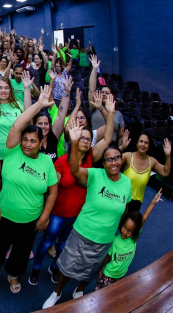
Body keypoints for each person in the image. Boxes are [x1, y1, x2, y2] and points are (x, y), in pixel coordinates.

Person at [43, 115, 132, 308]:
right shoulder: (95, 175)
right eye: (109, 159)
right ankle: (56, 293)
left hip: (105, 237)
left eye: (117, 157)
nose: (114, 162)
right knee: (67, 266)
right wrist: (74, 142)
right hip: (83, 232)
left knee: (91, 269)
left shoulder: (127, 183)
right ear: (104, 163)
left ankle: (79, 290)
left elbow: (125, 208)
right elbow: (75, 171)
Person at [29, 94, 116, 285]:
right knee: (46, 242)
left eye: (87, 138)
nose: (85, 141)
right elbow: (52, 189)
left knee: (63, 245)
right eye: (81, 138)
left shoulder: (92, 157)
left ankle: (54, 269)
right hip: (58, 213)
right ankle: (36, 269)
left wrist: (109, 113)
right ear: (75, 139)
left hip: (77, 215)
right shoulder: (61, 162)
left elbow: (108, 138)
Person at [0, 86, 58, 294]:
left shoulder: (46, 162)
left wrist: (44, 217)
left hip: (30, 219)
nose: (27, 143)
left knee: (22, 251)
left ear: (41, 142)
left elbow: (52, 192)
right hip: (5, 214)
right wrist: (39, 105)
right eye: (25, 139)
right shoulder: (12, 152)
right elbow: (17, 126)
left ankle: (14, 274)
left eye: (33, 140)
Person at [95, 190, 163, 290]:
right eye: (124, 228)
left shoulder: (133, 239)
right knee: (102, 293)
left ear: (134, 232)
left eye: (130, 231)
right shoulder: (115, 240)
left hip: (121, 274)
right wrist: (100, 269)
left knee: (114, 294)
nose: (125, 233)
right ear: (122, 225)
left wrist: (153, 203)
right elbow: (107, 258)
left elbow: (144, 218)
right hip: (108, 274)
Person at [122, 133, 170, 212]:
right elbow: (112, 163)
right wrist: (122, 147)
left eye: (146, 143)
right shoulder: (128, 156)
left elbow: (165, 172)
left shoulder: (152, 161)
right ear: (137, 143)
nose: (143, 144)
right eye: (141, 141)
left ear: (149, 146)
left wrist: (168, 156)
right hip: (121, 198)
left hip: (136, 203)